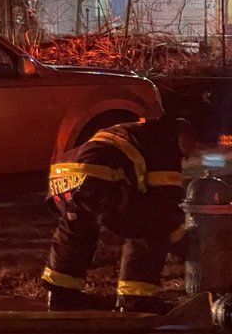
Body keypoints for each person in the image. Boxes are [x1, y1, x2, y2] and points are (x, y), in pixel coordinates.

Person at [41, 117, 196, 314]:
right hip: (99, 180)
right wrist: (182, 241)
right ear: (182, 136)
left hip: (62, 177)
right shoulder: (164, 142)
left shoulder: (133, 130)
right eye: (187, 152)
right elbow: (165, 199)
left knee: (76, 231)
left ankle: (61, 295)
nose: (185, 158)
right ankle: (136, 299)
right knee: (149, 227)